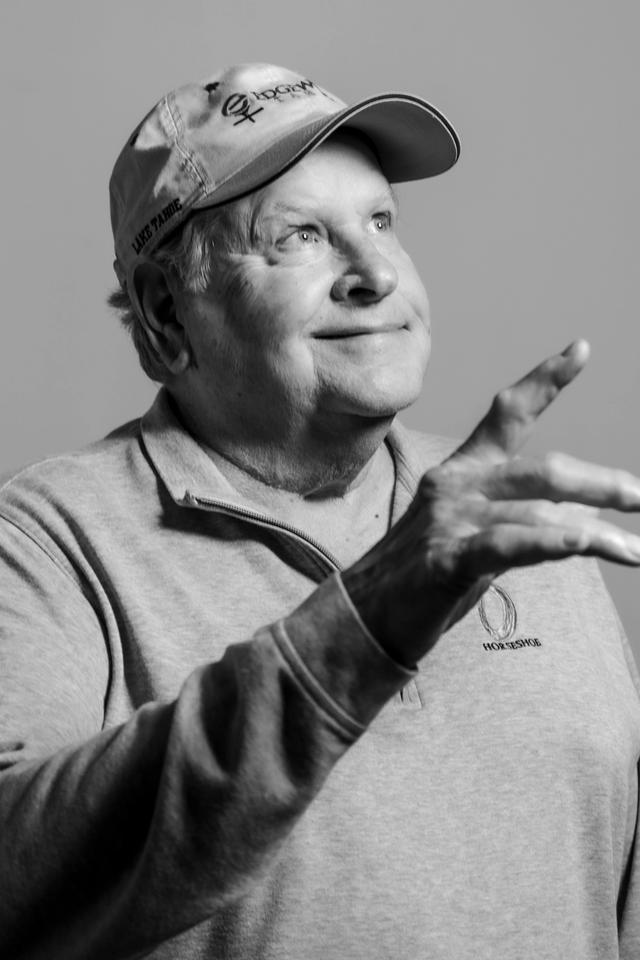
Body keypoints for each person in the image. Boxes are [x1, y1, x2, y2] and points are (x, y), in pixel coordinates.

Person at [0, 62, 639, 960]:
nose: (374, 273)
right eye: (300, 236)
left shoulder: (510, 520)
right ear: (165, 312)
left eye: (382, 221)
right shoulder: (43, 546)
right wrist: (368, 620)